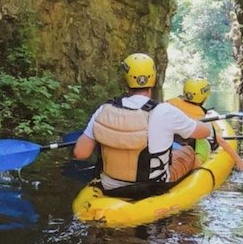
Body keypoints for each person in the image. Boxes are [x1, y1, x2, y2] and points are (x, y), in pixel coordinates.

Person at [72, 53, 213, 198]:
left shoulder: (103, 110)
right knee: (188, 152)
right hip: (152, 187)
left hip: (109, 186)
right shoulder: (165, 111)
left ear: (125, 79)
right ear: (153, 78)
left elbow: (80, 153)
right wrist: (188, 119)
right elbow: (204, 133)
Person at [167, 76, 243, 172]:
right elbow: (220, 141)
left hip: (171, 147)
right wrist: (238, 159)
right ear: (204, 98)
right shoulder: (202, 119)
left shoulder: (170, 107)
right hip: (191, 155)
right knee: (205, 142)